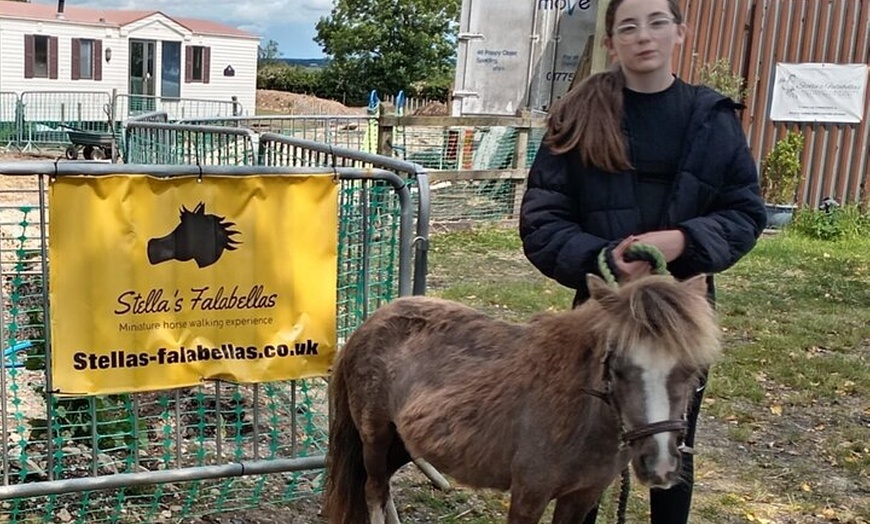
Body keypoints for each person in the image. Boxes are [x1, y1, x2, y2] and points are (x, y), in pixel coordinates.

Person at [518, 0, 767, 522]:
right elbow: (543, 219)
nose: (643, 36)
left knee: (671, 438)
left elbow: (744, 211)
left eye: (657, 22)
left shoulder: (712, 119)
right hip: (604, 310)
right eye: (627, 27)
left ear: (680, 31)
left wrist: (682, 242)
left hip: (682, 313)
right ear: (612, 43)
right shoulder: (578, 118)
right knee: (585, 442)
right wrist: (602, 257)